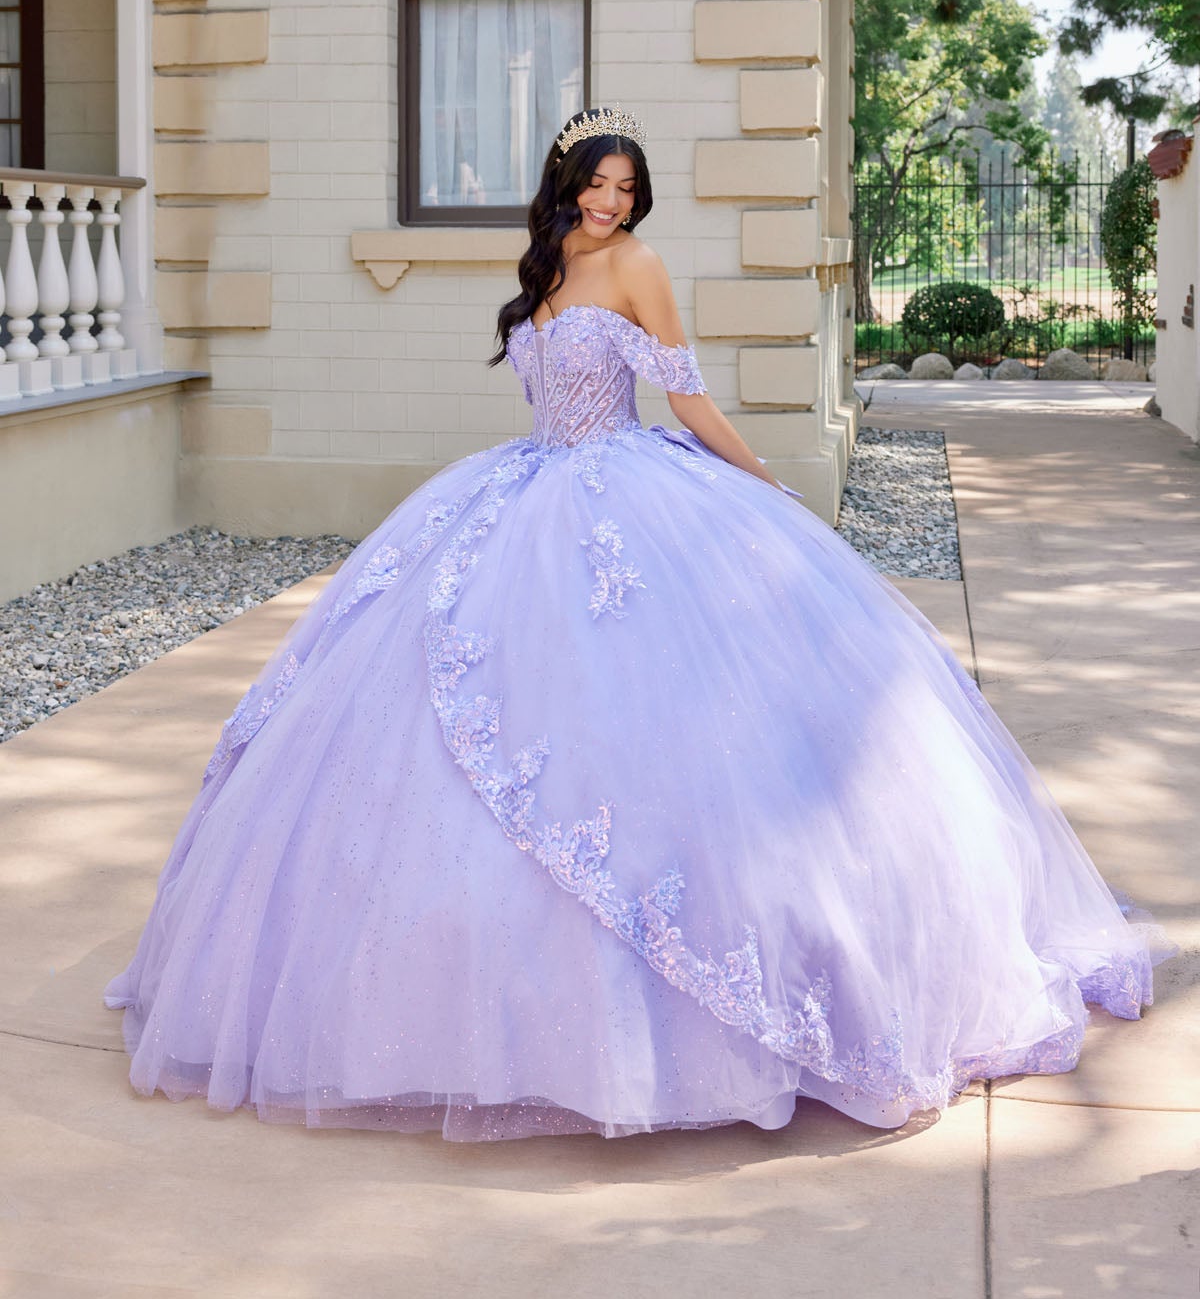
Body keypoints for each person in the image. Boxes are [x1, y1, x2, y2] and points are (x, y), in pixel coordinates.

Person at [105, 107, 1171, 1141]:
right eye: (598, 185)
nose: (612, 203)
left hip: (624, 488)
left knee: (653, 723)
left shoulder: (640, 268)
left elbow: (689, 400)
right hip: (528, 487)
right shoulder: (544, 267)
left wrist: (761, 483)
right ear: (566, 188)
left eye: (627, 188)